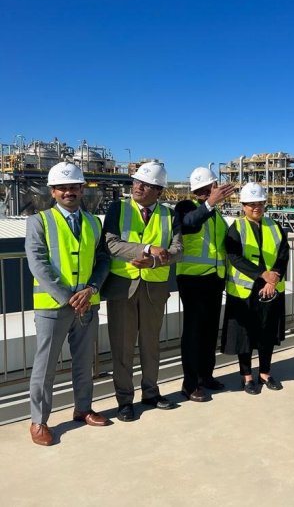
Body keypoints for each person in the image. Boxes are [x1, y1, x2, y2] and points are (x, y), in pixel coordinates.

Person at [25, 162, 111, 445]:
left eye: (74, 186)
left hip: (87, 303)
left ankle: (83, 408)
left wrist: (92, 288)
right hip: (53, 307)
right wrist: (68, 297)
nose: (68, 192)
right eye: (62, 187)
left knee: (84, 361)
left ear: (82, 189)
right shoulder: (39, 221)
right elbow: (38, 264)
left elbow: (102, 260)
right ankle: (39, 422)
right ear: (52, 191)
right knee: (45, 366)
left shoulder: (93, 222)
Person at [101, 161, 183, 421]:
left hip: (154, 288)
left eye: (146, 185)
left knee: (151, 344)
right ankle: (124, 400)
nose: (138, 187)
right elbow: (111, 244)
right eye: (137, 182)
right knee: (122, 347)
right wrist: (146, 250)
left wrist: (156, 261)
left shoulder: (170, 215)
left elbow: (178, 250)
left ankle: (151, 392)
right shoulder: (118, 208)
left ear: (159, 191)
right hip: (123, 287)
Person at [221, 182, 289, 394]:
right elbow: (234, 257)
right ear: (243, 206)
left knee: (267, 334)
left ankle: (265, 373)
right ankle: (247, 376)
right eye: (251, 204)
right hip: (245, 292)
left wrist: (272, 280)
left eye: (259, 203)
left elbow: (283, 253)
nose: (255, 207)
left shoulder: (274, 226)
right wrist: (262, 274)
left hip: (271, 290)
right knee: (246, 337)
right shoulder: (237, 227)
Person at [174, 167, 234, 402]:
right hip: (192, 279)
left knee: (209, 332)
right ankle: (189, 385)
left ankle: (205, 376)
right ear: (207, 188)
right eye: (214, 186)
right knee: (193, 332)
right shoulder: (185, 206)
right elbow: (188, 224)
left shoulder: (216, 215)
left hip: (214, 279)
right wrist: (209, 204)